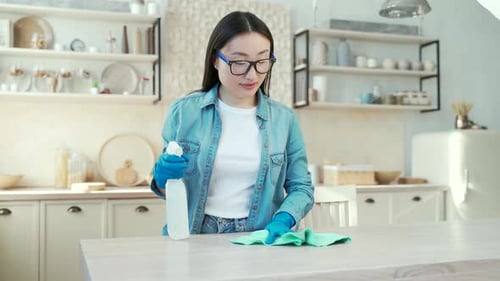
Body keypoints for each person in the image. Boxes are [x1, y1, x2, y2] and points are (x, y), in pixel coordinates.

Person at [151, 11, 314, 244]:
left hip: (258, 236)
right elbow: (167, 190)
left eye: (261, 61)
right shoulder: (184, 112)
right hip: (194, 234)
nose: (252, 74)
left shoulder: (284, 119)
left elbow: (301, 187)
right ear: (215, 60)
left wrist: (285, 218)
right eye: (239, 62)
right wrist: (162, 178)